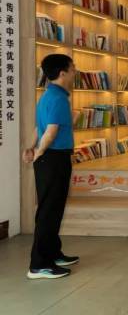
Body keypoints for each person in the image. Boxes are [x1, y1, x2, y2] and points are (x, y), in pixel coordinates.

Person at [22, 54, 79, 279]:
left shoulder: (48, 95)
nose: (75, 72)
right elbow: (51, 131)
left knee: (52, 209)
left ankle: (53, 253)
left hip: (50, 158)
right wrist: (39, 152)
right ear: (62, 73)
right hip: (53, 159)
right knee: (49, 212)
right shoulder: (58, 99)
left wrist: (30, 147)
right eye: (72, 69)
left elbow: (39, 128)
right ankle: (39, 265)